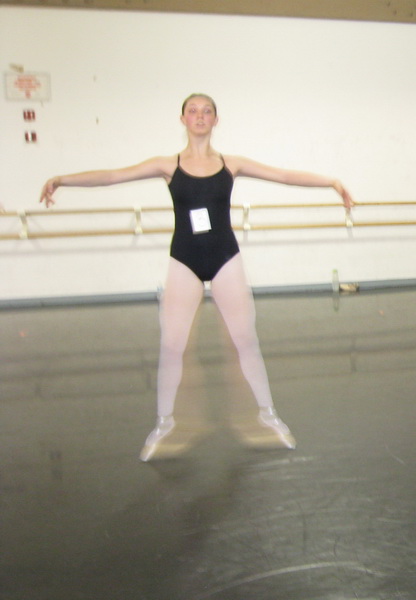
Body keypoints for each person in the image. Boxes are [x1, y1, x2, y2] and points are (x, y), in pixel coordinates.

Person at [40, 93, 353, 460]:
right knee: (172, 344)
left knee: (245, 339)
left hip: (225, 258)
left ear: (216, 120)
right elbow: (112, 176)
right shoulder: (167, 165)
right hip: (184, 259)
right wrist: (62, 179)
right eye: (193, 111)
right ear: (183, 119)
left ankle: (268, 414)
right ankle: (164, 423)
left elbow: (283, 175)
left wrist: (332, 182)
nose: (200, 116)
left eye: (207, 111)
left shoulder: (231, 164)